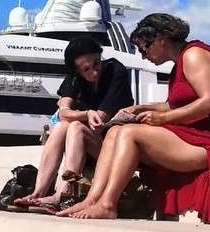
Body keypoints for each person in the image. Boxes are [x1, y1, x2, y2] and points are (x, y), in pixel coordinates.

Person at [60, 13, 210, 222]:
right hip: (195, 134)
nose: (144, 56)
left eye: (144, 48)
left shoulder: (194, 55)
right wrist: (139, 107)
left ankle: (108, 205)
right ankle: (92, 200)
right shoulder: (180, 62)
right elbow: (174, 104)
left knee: (129, 133)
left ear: (161, 39)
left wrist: (164, 119)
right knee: (115, 131)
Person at [13, 36, 133, 210]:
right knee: (61, 127)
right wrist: (86, 113)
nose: (94, 71)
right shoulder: (75, 79)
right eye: (86, 69)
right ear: (77, 71)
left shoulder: (115, 72)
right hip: (83, 145)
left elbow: (99, 120)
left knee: (75, 126)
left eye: (97, 63)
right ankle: (39, 192)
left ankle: (64, 192)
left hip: (109, 146)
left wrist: (77, 115)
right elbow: (63, 113)